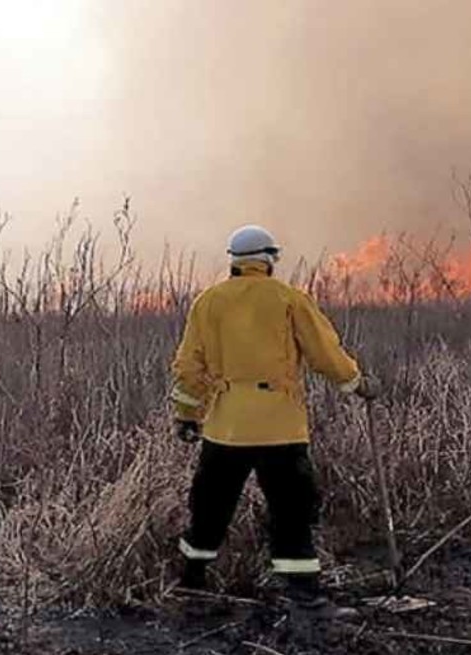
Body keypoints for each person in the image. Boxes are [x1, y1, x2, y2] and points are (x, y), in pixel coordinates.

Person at [170, 225, 379, 619]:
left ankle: (191, 583)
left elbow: (189, 366)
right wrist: (356, 384)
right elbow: (324, 353)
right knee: (290, 510)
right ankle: (304, 595)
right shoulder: (288, 299)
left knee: (209, 506)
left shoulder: (207, 303)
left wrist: (186, 416)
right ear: (267, 259)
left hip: (225, 426)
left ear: (234, 260)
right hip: (279, 429)